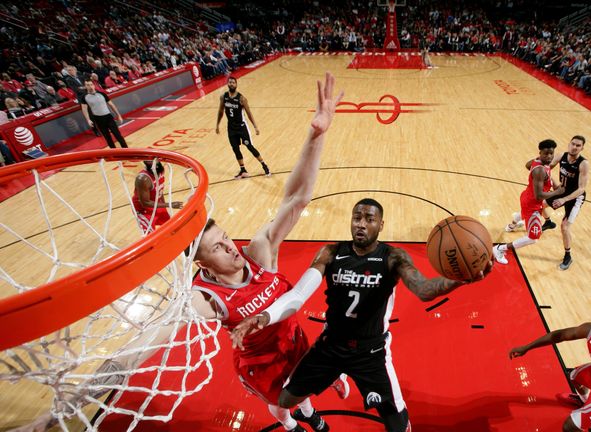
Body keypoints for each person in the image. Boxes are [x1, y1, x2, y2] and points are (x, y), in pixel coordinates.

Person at [17, 73, 346, 432]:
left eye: (226, 238)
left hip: (295, 344)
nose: (230, 248)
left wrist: (317, 134)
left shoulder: (258, 254)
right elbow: (130, 356)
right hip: (263, 367)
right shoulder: (205, 299)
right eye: (218, 247)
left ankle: (310, 415)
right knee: (283, 407)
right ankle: (291, 425)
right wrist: (56, 414)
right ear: (201, 263)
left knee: (305, 394)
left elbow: (296, 199)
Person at [231, 198, 492, 432]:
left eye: (369, 219)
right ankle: (335, 375)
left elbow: (424, 290)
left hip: (371, 352)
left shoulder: (392, 257)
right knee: (286, 399)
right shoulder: (331, 253)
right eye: (357, 217)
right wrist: (264, 317)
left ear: (381, 225)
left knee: (397, 424)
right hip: (331, 344)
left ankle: (344, 379)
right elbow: (299, 294)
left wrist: (459, 280)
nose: (361, 224)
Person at [493, 139, 564, 264]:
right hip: (532, 203)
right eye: (546, 153)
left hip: (527, 197)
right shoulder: (540, 170)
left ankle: (513, 224)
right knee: (533, 238)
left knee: (524, 213)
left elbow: (527, 165)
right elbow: (539, 196)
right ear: (540, 152)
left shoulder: (537, 161)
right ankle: (499, 249)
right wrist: (557, 192)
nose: (549, 156)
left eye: (551, 153)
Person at [545, 135, 589, 270]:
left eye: (578, 145)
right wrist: (554, 183)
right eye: (573, 144)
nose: (575, 147)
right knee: (542, 203)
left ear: (582, 148)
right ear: (569, 144)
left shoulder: (583, 164)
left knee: (564, 227)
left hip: (575, 197)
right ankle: (548, 222)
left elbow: (582, 188)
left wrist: (563, 199)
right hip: (562, 191)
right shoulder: (561, 156)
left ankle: (568, 256)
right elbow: (546, 169)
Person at [215, 76, 270, 179]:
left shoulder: (241, 99)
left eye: (233, 83)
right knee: (235, 149)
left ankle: (264, 165)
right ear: (227, 84)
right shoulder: (223, 97)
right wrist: (217, 124)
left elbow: (249, 113)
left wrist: (255, 127)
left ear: (236, 85)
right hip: (231, 128)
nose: (231, 84)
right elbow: (220, 111)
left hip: (241, 128)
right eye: (230, 82)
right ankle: (243, 170)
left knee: (249, 147)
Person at [132, 160, 183, 232]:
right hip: (144, 210)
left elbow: (160, 191)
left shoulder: (160, 171)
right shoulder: (143, 179)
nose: (151, 162)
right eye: (148, 161)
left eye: (152, 160)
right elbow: (145, 203)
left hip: (156, 204)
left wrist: (164, 206)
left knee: (172, 228)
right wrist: (169, 204)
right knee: (150, 235)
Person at [79, 80, 128, 149]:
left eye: (91, 84)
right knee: (107, 137)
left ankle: (125, 148)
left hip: (108, 117)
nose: (90, 86)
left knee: (117, 134)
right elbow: (84, 109)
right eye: (87, 85)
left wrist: (118, 115)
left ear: (94, 85)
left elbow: (111, 104)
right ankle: (114, 151)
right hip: (98, 119)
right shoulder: (84, 97)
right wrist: (88, 120)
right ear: (85, 87)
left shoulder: (102, 94)